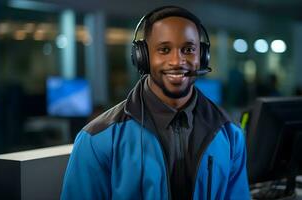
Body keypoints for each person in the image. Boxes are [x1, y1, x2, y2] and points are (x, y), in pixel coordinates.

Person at [61, 5, 250, 200]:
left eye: (188, 49)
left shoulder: (230, 134)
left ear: (202, 56)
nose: (177, 61)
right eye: (164, 49)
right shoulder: (97, 138)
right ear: (143, 57)